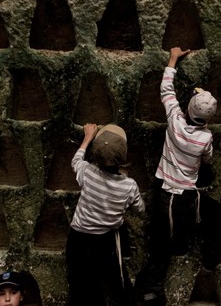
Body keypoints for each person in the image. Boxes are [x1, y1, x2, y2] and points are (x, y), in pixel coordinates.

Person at [135, 47, 221, 305]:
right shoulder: (205, 138)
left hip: (165, 192)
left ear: (187, 109)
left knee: (161, 244)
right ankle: (209, 263)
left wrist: (173, 58)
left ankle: (152, 290)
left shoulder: (175, 121)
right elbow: (207, 160)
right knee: (217, 215)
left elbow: (166, 90)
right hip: (187, 197)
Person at [66, 123, 145, 306]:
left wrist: (87, 138)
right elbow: (139, 208)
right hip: (105, 240)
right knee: (114, 281)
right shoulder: (129, 186)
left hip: (78, 239)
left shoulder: (87, 172)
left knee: (79, 283)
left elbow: (76, 161)